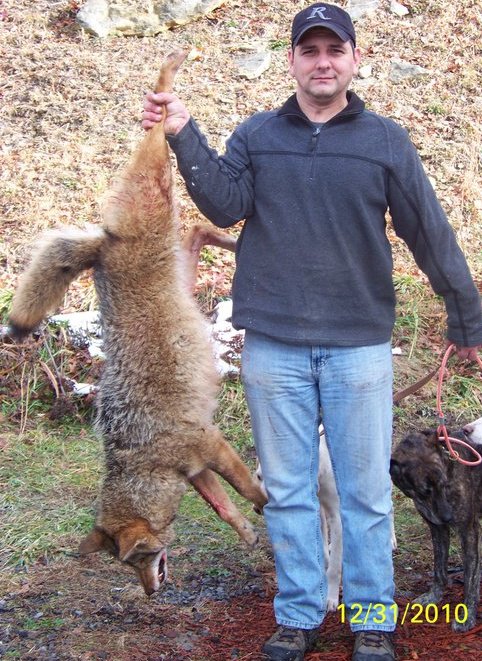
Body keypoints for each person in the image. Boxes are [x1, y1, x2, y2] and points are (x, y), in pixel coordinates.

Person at [142, 4, 482, 660]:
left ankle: (372, 618)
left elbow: (429, 231)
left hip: (359, 346)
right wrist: (183, 132)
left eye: (334, 50)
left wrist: (466, 316)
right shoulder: (258, 134)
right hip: (274, 345)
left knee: (365, 494)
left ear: (354, 59)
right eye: (310, 50)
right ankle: (299, 614)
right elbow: (224, 205)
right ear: (293, 60)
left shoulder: (385, 141)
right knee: (290, 492)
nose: (322, 62)